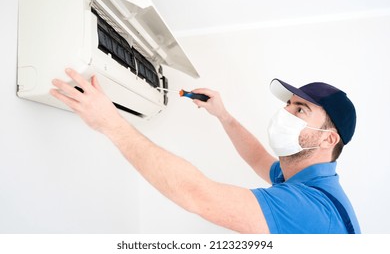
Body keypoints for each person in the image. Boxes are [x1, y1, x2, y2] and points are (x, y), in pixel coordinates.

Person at [50, 68, 360, 234]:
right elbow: (258, 158)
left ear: (328, 140)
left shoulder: (310, 210)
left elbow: (197, 195)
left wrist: (111, 124)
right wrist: (222, 115)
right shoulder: (304, 178)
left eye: (301, 110)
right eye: (288, 105)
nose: (285, 113)